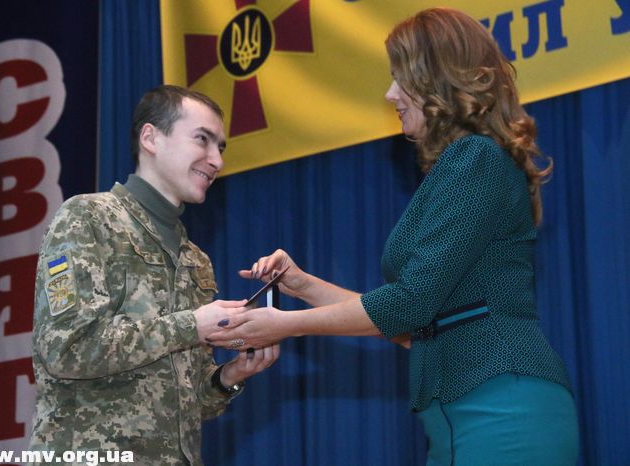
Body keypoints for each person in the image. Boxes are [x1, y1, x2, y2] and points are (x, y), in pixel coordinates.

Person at [208, 8, 579, 466]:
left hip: (502, 414)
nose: (390, 94)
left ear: (437, 80)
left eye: (400, 78)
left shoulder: (475, 158)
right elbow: (410, 324)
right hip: (466, 417)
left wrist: (285, 324)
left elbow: (408, 304)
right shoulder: (465, 164)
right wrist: (303, 286)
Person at [29, 84, 280, 465]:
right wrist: (192, 325)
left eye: (221, 148)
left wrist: (229, 375)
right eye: (202, 140)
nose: (216, 160)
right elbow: (66, 350)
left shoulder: (195, 260)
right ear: (151, 138)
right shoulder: (87, 218)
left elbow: (186, 401)